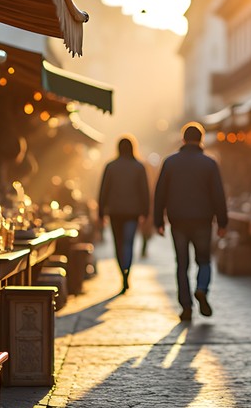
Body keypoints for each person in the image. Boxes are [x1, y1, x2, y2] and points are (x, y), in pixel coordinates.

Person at [153, 122, 228, 322]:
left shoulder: (170, 162)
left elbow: (160, 193)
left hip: (178, 221)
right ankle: (202, 288)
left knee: (182, 264)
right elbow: (218, 195)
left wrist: (158, 220)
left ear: (183, 139)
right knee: (204, 260)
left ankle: (186, 306)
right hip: (203, 220)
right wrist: (222, 222)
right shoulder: (210, 164)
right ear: (201, 139)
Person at [98, 135, 151, 294]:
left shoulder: (110, 166)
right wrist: (145, 211)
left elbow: (103, 190)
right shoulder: (139, 167)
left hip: (115, 212)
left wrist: (101, 211)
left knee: (118, 244)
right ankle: (127, 272)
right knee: (128, 243)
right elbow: (145, 191)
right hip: (132, 213)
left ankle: (123, 273)